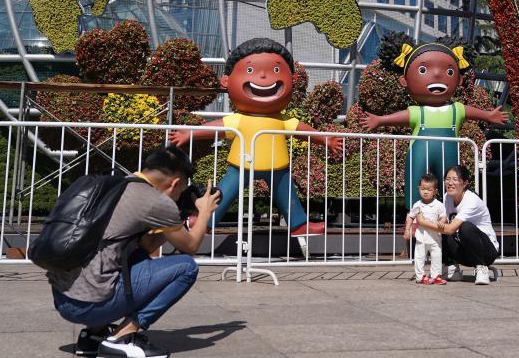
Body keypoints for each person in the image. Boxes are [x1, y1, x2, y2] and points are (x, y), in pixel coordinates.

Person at [49, 146, 221, 358]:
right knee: (186, 268)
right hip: (89, 304)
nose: (179, 196)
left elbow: (147, 247)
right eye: (180, 190)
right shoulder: (154, 201)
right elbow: (191, 246)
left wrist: (180, 217)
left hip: (64, 299)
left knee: (137, 256)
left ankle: (93, 335)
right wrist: (203, 212)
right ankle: (123, 336)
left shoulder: (118, 184)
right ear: (174, 183)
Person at [169, 38, 341, 236]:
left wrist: (325, 139)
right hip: (241, 164)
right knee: (223, 195)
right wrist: (189, 133)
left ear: (292, 79)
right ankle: (204, 223)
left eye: (276, 70)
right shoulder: (240, 119)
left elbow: (301, 130)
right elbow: (216, 127)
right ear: (226, 81)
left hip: (278, 166)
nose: (263, 76)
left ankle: (299, 225)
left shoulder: (282, 119)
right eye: (250, 71)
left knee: (287, 194)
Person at [361, 42, 507, 209]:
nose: (437, 74)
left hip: (449, 152)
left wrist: (489, 115)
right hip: (419, 152)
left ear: (459, 80)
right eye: (423, 70)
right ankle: (415, 216)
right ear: (404, 80)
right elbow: (399, 117)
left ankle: (450, 213)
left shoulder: (456, 110)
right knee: (416, 179)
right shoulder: (418, 112)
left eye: (449, 71)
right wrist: (379, 120)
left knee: (451, 182)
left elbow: (476, 113)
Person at [415, 164, 498, 285]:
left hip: (486, 251)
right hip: (466, 252)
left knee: (465, 228)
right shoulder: (447, 197)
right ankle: (451, 267)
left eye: (455, 179)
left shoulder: (472, 200)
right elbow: (445, 224)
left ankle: (481, 267)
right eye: (447, 179)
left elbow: (450, 229)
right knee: (440, 229)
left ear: (464, 183)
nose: (450, 183)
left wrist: (422, 223)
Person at [404, 172, 448, 285]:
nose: (425, 192)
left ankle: (436, 275)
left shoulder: (439, 205)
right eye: (423, 189)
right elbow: (410, 217)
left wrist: (442, 222)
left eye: (429, 189)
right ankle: (420, 277)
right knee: (419, 257)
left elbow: (443, 216)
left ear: (435, 191)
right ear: (418, 189)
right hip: (421, 237)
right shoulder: (417, 205)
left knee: (437, 257)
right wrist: (407, 230)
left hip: (435, 238)